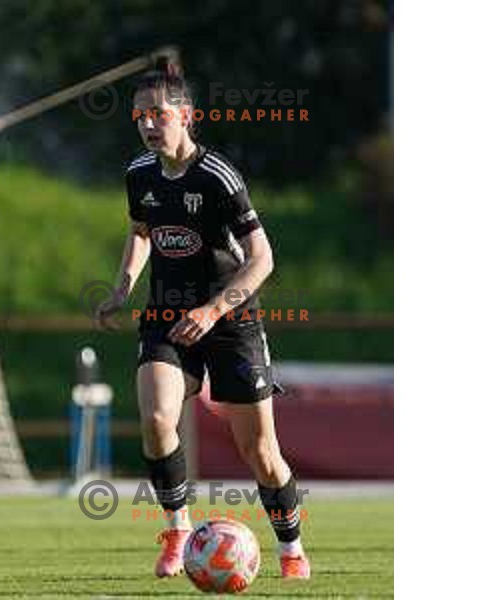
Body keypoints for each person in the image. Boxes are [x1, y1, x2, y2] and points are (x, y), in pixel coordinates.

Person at [97, 66, 311, 580]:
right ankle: (176, 532)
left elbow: (262, 258)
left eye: (160, 114)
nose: (149, 124)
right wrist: (125, 282)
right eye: (140, 115)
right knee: (154, 419)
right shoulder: (139, 173)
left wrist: (213, 309)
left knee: (260, 453)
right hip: (166, 319)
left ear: (187, 116)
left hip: (232, 322)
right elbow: (142, 230)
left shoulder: (216, 175)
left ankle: (291, 550)